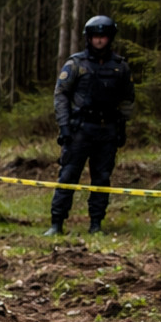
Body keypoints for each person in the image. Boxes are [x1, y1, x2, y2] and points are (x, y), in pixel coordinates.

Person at [48, 15, 134, 236]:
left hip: (107, 130)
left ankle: (96, 223)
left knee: (102, 178)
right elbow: (61, 95)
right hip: (80, 130)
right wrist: (64, 127)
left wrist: (122, 128)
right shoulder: (76, 64)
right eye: (95, 36)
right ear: (89, 38)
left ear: (110, 38)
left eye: (103, 36)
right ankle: (57, 223)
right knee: (68, 175)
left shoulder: (120, 67)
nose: (99, 41)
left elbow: (126, 99)